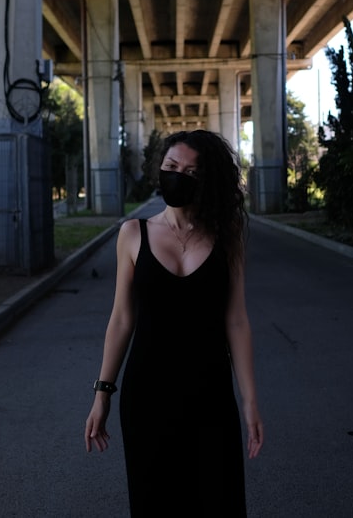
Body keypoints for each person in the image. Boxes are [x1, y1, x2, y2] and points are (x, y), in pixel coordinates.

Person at [84, 129, 264, 515]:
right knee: (156, 505)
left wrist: (250, 401)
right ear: (160, 169)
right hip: (147, 397)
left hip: (210, 397)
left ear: (208, 180)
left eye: (192, 172)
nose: (178, 175)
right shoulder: (133, 234)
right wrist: (102, 394)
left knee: (219, 502)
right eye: (171, 166)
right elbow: (121, 319)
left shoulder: (227, 238)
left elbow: (236, 321)